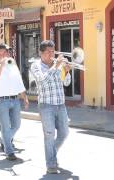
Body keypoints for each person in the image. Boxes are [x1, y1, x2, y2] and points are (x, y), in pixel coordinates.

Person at [30, 40, 71, 174]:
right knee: (49, 135)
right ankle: (51, 164)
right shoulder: (36, 66)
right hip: (46, 105)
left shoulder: (57, 65)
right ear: (41, 53)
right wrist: (56, 67)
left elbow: (66, 83)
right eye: (48, 52)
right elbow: (42, 81)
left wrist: (67, 71)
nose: (51, 54)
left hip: (60, 104)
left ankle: (51, 154)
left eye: (53, 51)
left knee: (64, 133)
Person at [0, 44, 29, 161]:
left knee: (16, 125)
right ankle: (9, 151)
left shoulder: (12, 65)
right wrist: (1, 65)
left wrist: (24, 97)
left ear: (7, 54)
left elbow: (19, 81)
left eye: (4, 54)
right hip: (1, 101)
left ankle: (3, 139)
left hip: (14, 99)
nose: (2, 56)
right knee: (5, 127)